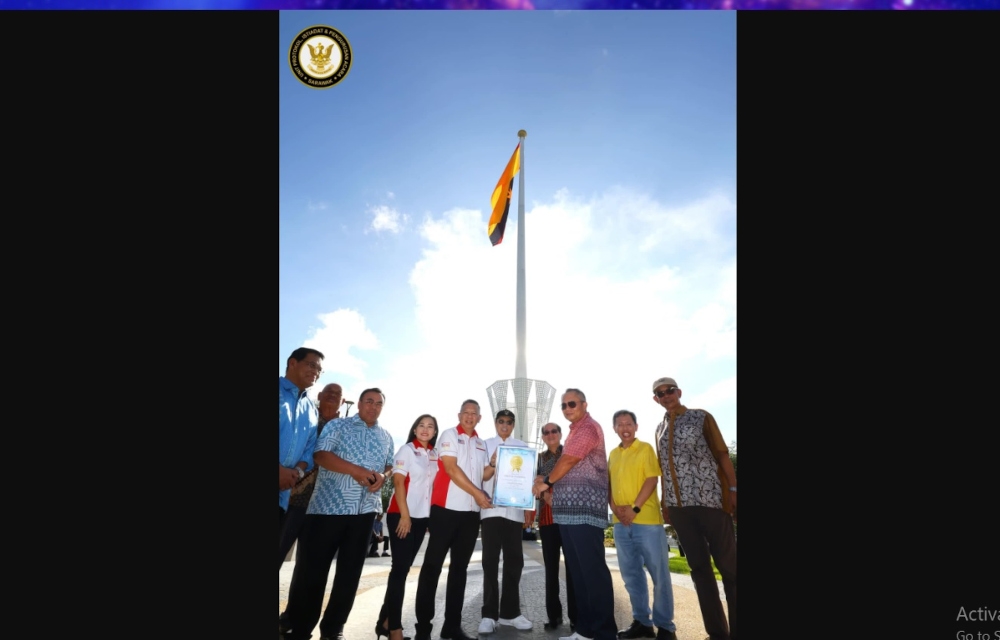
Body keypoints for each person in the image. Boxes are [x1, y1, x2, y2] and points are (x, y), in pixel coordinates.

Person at [284, 388, 395, 640]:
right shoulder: (338, 426)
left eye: (379, 403)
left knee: (350, 573)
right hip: (327, 508)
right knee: (312, 572)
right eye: (369, 401)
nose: (373, 406)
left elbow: (389, 465)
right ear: (359, 403)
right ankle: (301, 629)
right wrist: (355, 471)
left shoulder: (386, 436)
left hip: (365, 510)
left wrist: (383, 476)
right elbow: (321, 455)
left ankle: (333, 629)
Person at [652, 377, 736, 640]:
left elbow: (721, 453)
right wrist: (666, 502)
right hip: (679, 508)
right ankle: (717, 633)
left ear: (679, 392)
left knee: (729, 567)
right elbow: (664, 469)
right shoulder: (659, 428)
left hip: (709, 500)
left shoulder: (701, 417)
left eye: (670, 390)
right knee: (699, 570)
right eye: (660, 393)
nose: (666, 395)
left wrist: (733, 489)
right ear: (656, 398)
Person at [532, 389, 617, 640]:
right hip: (567, 514)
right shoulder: (573, 432)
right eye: (564, 405)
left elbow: (567, 461)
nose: (568, 408)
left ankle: (604, 632)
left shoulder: (588, 427)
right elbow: (566, 467)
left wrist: (545, 481)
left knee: (592, 573)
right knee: (579, 575)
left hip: (585, 512)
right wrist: (542, 479)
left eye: (572, 403)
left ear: (584, 404)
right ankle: (585, 629)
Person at [414, 400, 494, 640]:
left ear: (479, 418)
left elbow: (482, 474)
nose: (470, 417)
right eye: (466, 413)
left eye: (474, 414)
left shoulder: (481, 444)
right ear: (460, 415)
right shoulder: (449, 435)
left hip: (470, 516)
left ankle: (452, 626)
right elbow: (450, 468)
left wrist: (497, 465)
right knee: (432, 568)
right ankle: (423, 629)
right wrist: (478, 493)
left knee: (459, 571)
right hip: (445, 511)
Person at [279, 383, 345, 635]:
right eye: (328, 391)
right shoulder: (304, 418)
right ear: (319, 396)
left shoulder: (343, 427)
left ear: (342, 401)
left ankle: (292, 618)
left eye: (337, 394)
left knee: (308, 567)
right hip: (292, 499)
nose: (332, 396)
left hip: (322, 507)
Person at [607, 410, 676, 640]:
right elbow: (608, 484)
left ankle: (665, 626)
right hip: (620, 522)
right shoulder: (613, 454)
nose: (624, 427)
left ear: (636, 426)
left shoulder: (645, 448)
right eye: (620, 424)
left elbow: (651, 479)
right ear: (614, 428)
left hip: (646, 520)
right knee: (631, 575)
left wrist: (634, 509)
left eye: (628, 423)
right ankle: (642, 622)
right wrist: (615, 508)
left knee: (659, 574)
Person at [376, 414, 440, 640]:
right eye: (421, 425)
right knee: (399, 570)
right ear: (414, 429)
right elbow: (399, 482)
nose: (425, 429)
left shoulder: (434, 454)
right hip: (401, 516)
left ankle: (384, 621)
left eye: (430, 426)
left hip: (421, 519)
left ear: (434, 432)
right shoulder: (406, 450)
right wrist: (404, 515)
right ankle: (395, 628)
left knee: (402, 570)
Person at [478, 409, 534, 634]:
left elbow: (530, 478)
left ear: (513, 425)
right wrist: (492, 464)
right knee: (490, 561)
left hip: (515, 511)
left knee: (515, 561)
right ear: (495, 423)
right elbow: (482, 477)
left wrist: (531, 508)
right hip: (491, 510)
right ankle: (489, 615)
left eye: (509, 422)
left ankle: (510, 613)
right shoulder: (484, 445)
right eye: (501, 422)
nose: (504, 426)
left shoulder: (522, 446)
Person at [536, 422, 577, 632]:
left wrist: (557, 498)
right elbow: (534, 484)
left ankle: (576, 617)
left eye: (554, 431)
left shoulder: (570, 453)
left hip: (569, 518)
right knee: (551, 570)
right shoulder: (539, 458)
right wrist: (545, 495)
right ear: (542, 436)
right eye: (546, 432)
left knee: (572, 569)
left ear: (560, 434)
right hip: (547, 519)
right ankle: (554, 616)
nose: (551, 435)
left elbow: (574, 479)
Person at [279, 348, 323, 536]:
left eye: (320, 370)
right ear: (292, 363)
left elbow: (309, 451)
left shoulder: (312, 410)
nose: (316, 372)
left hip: (282, 496)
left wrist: (295, 472)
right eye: (311, 365)